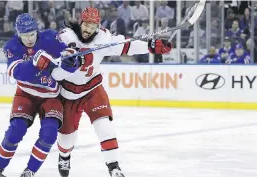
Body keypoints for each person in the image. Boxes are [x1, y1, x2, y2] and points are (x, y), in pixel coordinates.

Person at [53, 7, 172, 177]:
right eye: (86, 25)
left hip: (93, 89)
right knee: (67, 139)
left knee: (105, 127)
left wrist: (151, 46)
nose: (88, 30)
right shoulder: (66, 35)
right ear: (80, 22)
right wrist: (71, 54)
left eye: (93, 26)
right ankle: (64, 156)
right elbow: (63, 49)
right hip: (68, 93)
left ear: (98, 26)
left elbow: (126, 45)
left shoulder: (103, 38)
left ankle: (114, 167)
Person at [0, 13, 82, 177]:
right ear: (17, 33)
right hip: (26, 94)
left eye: (32, 34)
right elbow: (16, 72)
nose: (28, 39)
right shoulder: (12, 46)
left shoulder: (50, 38)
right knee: (15, 130)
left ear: (37, 31)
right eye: (24, 35)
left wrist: (72, 61)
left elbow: (70, 59)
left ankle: (30, 171)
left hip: (51, 96)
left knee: (49, 134)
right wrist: (35, 63)